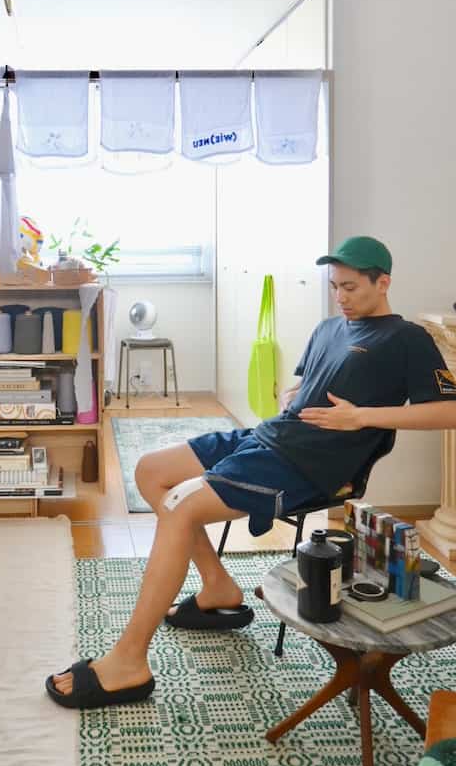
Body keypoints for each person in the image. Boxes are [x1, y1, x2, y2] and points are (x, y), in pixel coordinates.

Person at [46, 236, 456, 710]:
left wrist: (362, 417)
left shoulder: (405, 338)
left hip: (309, 464)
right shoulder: (328, 328)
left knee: (180, 506)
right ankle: (219, 585)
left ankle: (128, 662)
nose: (340, 297)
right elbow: (306, 383)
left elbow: (447, 412)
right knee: (151, 472)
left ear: (382, 282)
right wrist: (292, 393)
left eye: (350, 288)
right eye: (334, 287)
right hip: (271, 437)